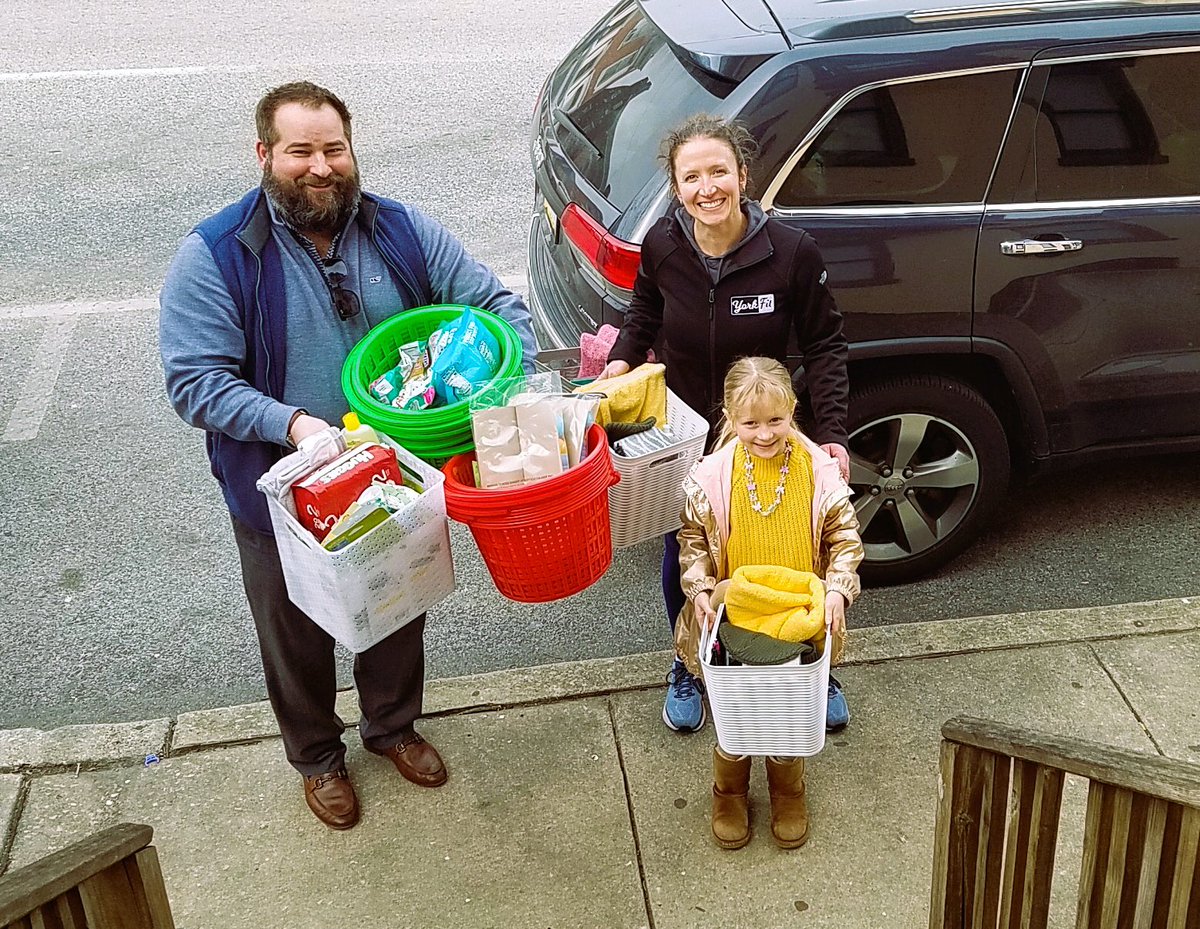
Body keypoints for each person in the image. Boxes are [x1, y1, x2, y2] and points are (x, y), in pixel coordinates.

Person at [159, 81, 537, 830]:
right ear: (265, 155)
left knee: (396, 607)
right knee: (293, 631)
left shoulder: (398, 227)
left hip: (394, 482)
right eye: (300, 150)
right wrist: (292, 422)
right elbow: (193, 381)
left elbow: (495, 305)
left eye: (334, 148)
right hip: (286, 491)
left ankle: (392, 725)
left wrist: (510, 377)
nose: (321, 166)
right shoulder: (215, 255)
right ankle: (317, 757)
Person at [598, 114, 851, 733]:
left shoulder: (791, 253)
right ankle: (692, 661)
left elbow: (825, 347)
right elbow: (644, 311)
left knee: (794, 552)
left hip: (767, 427)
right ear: (676, 187)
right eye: (691, 177)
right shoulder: (662, 244)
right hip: (684, 433)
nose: (706, 188)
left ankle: (812, 659)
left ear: (743, 175)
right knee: (686, 556)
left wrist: (835, 434)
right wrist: (620, 363)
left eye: (718, 172)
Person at [677, 356, 862, 849]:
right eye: (750, 423)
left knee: (788, 711)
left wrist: (839, 588)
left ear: (793, 410)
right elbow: (693, 538)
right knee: (735, 711)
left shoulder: (817, 472)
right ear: (730, 419)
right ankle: (729, 789)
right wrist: (698, 589)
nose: (764, 434)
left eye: (775, 420)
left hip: (798, 615)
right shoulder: (713, 474)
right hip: (734, 613)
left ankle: (788, 789)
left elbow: (845, 538)